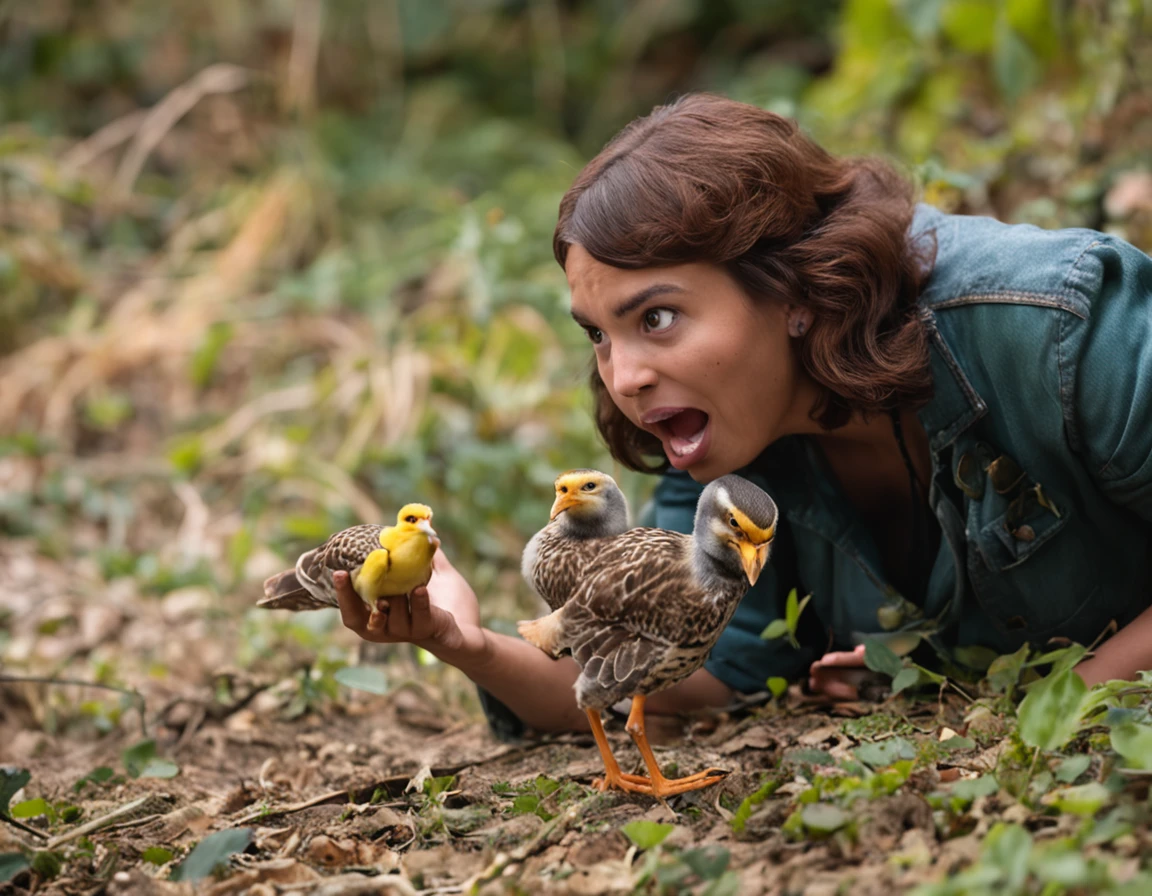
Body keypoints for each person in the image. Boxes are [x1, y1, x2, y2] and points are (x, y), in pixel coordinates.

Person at [335, 93, 1152, 736]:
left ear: (791, 287)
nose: (623, 377)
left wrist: (1054, 710)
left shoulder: (1050, 325)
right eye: (599, 335)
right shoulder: (729, 446)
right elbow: (686, 676)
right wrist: (463, 642)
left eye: (656, 317)